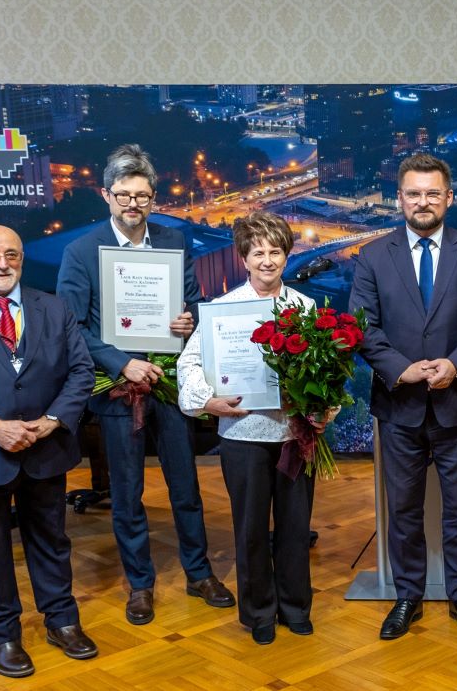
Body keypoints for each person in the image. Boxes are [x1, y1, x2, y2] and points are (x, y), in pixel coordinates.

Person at [56, 144, 235, 625]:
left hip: (172, 383)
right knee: (128, 492)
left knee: (186, 486)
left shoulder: (175, 241)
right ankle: (140, 584)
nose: (133, 204)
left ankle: (199, 573)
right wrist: (121, 363)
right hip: (120, 388)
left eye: (142, 196)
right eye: (123, 195)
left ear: (154, 198)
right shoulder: (81, 251)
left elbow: (194, 303)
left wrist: (186, 321)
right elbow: (71, 326)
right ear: (106, 196)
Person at [349, 153, 457, 639]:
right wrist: (401, 369)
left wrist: (455, 365)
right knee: (404, 511)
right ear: (399, 198)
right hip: (399, 406)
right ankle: (407, 597)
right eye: (413, 193)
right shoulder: (373, 256)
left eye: (432, 193)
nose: (422, 202)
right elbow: (362, 327)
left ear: (449, 197)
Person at [0, 225, 96, 677]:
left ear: (22, 259)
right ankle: (2, 635)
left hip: (46, 448)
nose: (2, 263)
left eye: (11, 254)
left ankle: (62, 621)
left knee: (52, 540)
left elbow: (81, 372)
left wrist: (51, 421)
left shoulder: (54, 307)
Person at [177, 212, 329, 645]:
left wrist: (321, 406)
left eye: (275, 251)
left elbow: (324, 370)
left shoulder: (305, 307)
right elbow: (189, 363)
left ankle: (296, 605)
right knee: (250, 530)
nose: (267, 260)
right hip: (243, 435)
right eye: (257, 252)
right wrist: (207, 400)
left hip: (294, 436)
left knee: (296, 528)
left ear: (286, 254)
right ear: (243, 258)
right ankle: (260, 612)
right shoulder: (223, 310)